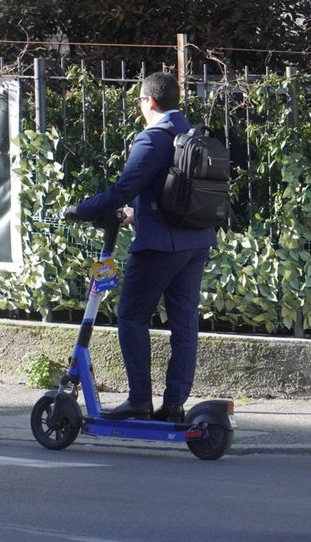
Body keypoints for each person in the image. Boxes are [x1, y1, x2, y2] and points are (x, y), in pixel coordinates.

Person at [66, 72, 215, 422]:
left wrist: (80, 210)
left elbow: (121, 188)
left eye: (139, 101)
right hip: (195, 241)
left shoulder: (154, 139)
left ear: (149, 101)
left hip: (159, 247)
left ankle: (139, 400)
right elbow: (174, 190)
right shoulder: (190, 133)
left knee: (131, 316)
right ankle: (175, 405)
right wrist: (139, 213)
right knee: (184, 324)